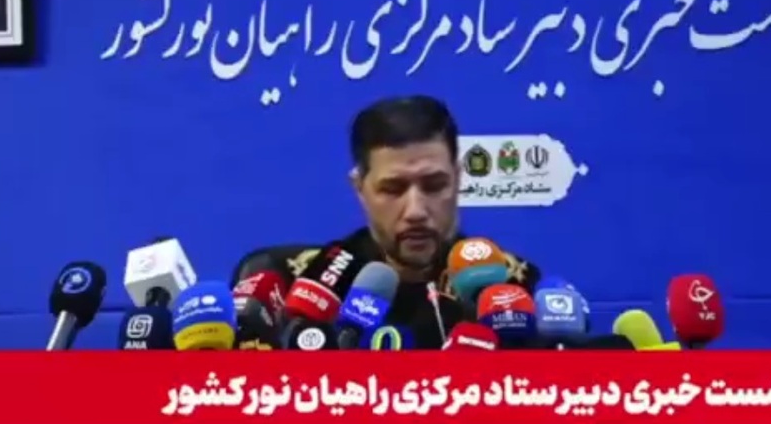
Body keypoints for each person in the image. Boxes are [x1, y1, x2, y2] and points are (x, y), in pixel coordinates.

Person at [232, 95, 542, 346]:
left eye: (434, 186)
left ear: (458, 180)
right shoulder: (292, 285)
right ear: (360, 188)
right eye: (393, 189)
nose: (416, 210)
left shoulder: (513, 288)